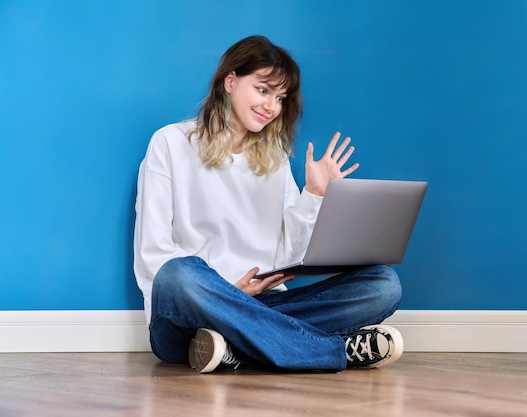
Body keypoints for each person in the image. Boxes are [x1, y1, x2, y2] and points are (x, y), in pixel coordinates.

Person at [133, 35, 403, 373]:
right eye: (263, 90)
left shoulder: (274, 159)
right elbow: (153, 256)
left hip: (265, 303)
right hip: (187, 314)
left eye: (280, 98)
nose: (272, 106)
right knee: (178, 274)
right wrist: (228, 294)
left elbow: (291, 257)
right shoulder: (170, 143)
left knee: (383, 284)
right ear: (230, 82)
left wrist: (315, 194)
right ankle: (333, 351)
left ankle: (233, 348)